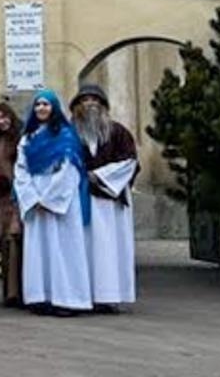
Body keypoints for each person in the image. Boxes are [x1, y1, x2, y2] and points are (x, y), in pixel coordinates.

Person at [14, 89, 92, 316]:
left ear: (54, 108)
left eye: (46, 104)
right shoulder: (27, 138)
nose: (41, 108)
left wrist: (49, 198)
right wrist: (31, 197)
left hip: (61, 200)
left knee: (63, 248)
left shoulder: (66, 136)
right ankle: (41, 296)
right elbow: (21, 170)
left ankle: (67, 298)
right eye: (37, 104)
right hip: (36, 198)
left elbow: (70, 169)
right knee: (39, 249)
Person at [71, 84, 139, 311]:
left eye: (95, 99)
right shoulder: (69, 133)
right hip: (79, 200)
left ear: (103, 105)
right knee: (82, 247)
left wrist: (99, 176)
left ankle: (107, 296)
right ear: (77, 106)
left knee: (108, 249)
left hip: (108, 200)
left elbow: (129, 162)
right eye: (85, 100)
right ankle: (83, 295)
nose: (90, 103)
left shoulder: (118, 132)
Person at [0, 100, 25, 308]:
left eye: (4, 117)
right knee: (5, 242)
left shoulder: (19, 139)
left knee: (15, 239)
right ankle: (9, 292)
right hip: (0, 197)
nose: (1, 122)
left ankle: (18, 291)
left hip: (17, 195)